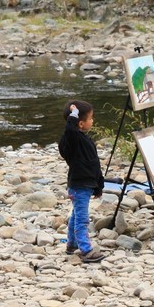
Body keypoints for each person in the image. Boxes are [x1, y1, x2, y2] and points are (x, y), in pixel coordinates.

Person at [58, 100, 106, 262]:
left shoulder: (85, 140)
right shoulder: (72, 140)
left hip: (86, 185)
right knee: (82, 219)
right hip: (79, 186)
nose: (93, 121)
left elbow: (95, 165)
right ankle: (85, 250)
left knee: (76, 215)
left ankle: (71, 244)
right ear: (80, 123)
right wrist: (73, 114)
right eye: (91, 118)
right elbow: (70, 131)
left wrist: (99, 186)